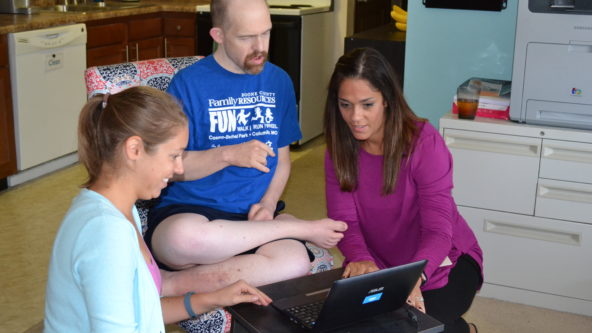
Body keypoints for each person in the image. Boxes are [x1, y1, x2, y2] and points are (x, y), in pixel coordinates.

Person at [143, 0, 347, 294]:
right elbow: (171, 168)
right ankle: (293, 228)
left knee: (295, 263)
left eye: (265, 33)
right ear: (218, 35)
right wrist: (227, 154)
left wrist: (268, 203)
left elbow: (283, 159)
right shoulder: (188, 84)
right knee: (180, 240)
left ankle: (173, 285)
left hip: (254, 216)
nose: (260, 46)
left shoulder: (279, 81)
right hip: (190, 211)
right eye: (246, 37)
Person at [44, 87, 272, 332]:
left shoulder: (117, 208)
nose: (179, 169)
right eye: (173, 155)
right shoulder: (106, 233)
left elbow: (142, 310)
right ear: (134, 149)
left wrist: (214, 298)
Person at [323, 48, 483, 333]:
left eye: (367, 104)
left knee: (398, 328)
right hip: (379, 264)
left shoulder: (424, 143)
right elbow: (344, 221)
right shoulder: (338, 148)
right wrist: (361, 259)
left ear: (387, 100)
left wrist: (412, 278)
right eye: (345, 104)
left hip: (443, 264)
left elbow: (438, 230)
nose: (355, 117)